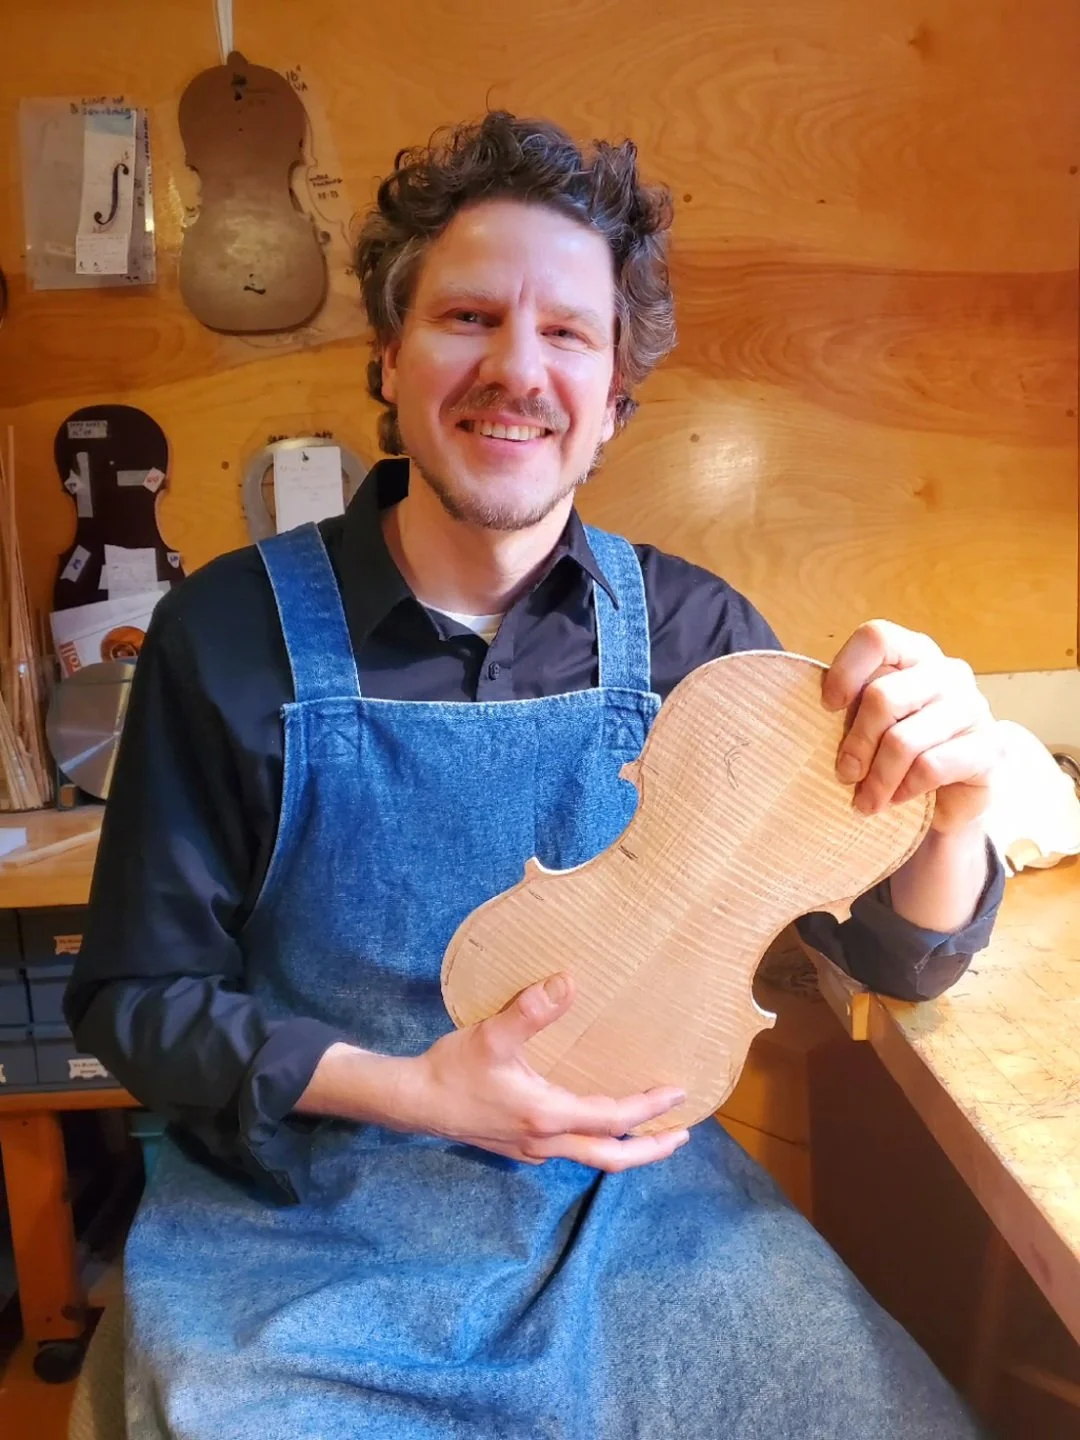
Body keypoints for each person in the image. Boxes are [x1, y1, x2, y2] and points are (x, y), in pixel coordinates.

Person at [67, 111, 1004, 1439]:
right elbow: (134, 999)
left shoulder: (702, 644)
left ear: (616, 391)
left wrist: (953, 812)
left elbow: (896, 959)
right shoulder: (223, 637)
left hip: (625, 1216)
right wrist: (413, 1089)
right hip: (300, 1232)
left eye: (567, 332)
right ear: (388, 358)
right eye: (466, 318)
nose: (518, 368)